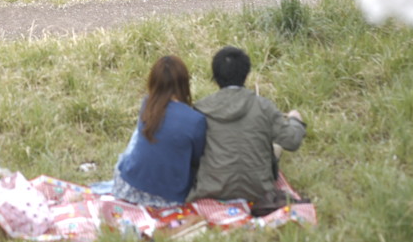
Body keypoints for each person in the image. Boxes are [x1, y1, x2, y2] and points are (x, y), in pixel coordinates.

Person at [191, 46, 306, 204]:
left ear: (215, 76)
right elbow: (292, 141)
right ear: (246, 74)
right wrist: (295, 120)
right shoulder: (263, 106)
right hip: (259, 191)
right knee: (275, 147)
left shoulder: (201, 109)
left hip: (211, 189)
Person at [112, 55, 207, 207]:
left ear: (153, 81)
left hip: (127, 189)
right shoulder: (196, 120)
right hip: (169, 200)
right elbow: (197, 159)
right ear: (184, 83)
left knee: (139, 134)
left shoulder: (147, 104)